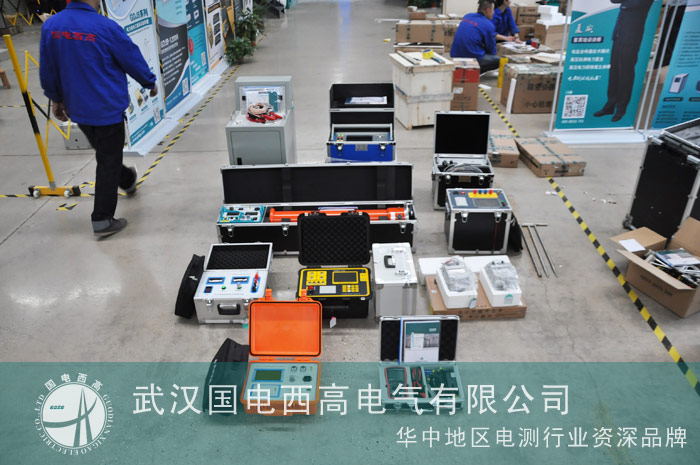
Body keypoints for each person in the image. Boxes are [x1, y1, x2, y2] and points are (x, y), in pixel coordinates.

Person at [40, 0, 158, 237]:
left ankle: (127, 179)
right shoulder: (105, 27)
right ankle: (102, 219)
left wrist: (56, 99)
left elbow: (48, 68)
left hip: (78, 109)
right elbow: (130, 57)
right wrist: (149, 82)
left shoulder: (52, 27)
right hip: (106, 108)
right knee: (108, 160)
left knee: (107, 155)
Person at [593, 0, 654, 122]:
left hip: (631, 37)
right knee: (614, 72)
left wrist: (624, 3)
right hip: (618, 35)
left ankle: (621, 108)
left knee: (626, 73)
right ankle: (610, 105)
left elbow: (634, 4)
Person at [450, 0, 501, 73]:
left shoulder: (467, 16)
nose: (493, 13)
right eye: (493, 10)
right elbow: (491, 49)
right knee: (499, 60)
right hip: (471, 58)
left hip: (454, 54)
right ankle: (474, 72)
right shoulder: (488, 24)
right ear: (488, 10)